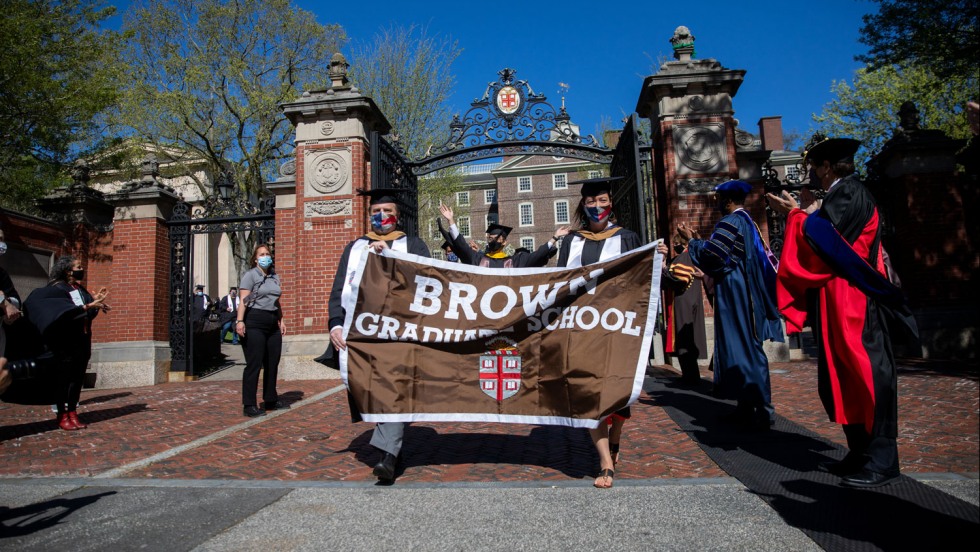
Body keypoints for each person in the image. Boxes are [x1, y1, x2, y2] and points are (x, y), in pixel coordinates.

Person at [767, 136, 916, 489]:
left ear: (827, 166)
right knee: (842, 375)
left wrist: (794, 215)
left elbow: (826, 240)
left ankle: (883, 458)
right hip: (837, 299)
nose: (812, 175)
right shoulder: (839, 194)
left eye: (814, 168)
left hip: (856, 300)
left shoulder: (851, 192)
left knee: (867, 373)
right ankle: (861, 449)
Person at [328, 188, 430, 483]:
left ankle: (388, 456)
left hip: (400, 331)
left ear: (398, 216)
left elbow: (430, 282)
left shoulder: (412, 244)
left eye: (387, 212)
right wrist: (336, 323)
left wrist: (390, 262)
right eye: (376, 212)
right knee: (373, 390)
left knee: (394, 388)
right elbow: (339, 289)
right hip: (361, 334)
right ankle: (394, 449)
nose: (381, 217)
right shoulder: (355, 247)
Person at [553, 176, 645, 489]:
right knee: (590, 392)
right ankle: (605, 460)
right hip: (581, 328)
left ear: (611, 203)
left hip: (616, 327)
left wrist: (656, 258)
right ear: (583, 205)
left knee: (616, 394)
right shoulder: (571, 241)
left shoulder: (628, 238)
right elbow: (560, 282)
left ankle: (615, 438)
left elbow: (640, 281)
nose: (596, 207)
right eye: (591, 202)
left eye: (602, 201)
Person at [677, 180, 783, 430]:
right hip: (746, 290)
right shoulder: (749, 221)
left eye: (717, 200)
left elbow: (714, 255)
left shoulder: (731, 222)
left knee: (745, 347)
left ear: (726, 200)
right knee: (744, 348)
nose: (715, 204)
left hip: (738, 294)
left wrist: (692, 242)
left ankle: (762, 410)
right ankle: (746, 407)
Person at [46, 255, 110, 430]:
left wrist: (97, 302)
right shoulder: (57, 289)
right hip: (65, 341)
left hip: (82, 339)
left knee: (77, 378)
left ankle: (73, 411)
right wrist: (89, 306)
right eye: (78, 266)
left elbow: (87, 314)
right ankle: (61, 413)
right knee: (63, 378)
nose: (81, 269)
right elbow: (64, 313)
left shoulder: (80, 290)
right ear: (68, 271)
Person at [235, 244, 287, 418]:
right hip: (255, 320)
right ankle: (249, 404)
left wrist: (281, 319)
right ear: (255, 259)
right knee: (255, 363)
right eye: (262, 254)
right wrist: (240, 321)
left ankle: (270, 398)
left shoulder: (274, 277)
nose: (266, 256)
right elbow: (244, 300)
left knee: (272, 362)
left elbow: (276, 301)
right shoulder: (251, 275)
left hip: (272, 322)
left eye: (268, 254)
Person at [438, 204, 568, 268]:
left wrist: (554, 237)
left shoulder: (514, 261)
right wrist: (451, 221)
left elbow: (537, 255)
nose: (493, 240)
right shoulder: (478, 259)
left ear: (504, 242)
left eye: (497, 238)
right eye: (490, 238)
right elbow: (461, 245)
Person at [663, 233, 708, 385]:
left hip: (683, 300)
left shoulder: (683, 258)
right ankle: (691, 374)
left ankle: (689, 376)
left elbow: (679, 281)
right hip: (692, 298)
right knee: (689, 338)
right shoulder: (693, 257)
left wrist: (664, 269)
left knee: (684, 338)